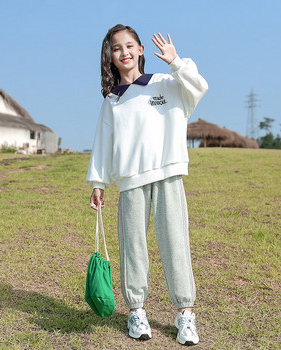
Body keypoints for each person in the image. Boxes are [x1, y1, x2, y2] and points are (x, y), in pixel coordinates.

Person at [86, 24, 208, 346]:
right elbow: (102, 144)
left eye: (129, 46)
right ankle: (136, 311)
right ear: (110, 57)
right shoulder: (113, 100)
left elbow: (199, 87)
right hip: (130, 182)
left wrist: (176, 61)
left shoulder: (168, 84)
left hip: (168, 174)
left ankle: (185, 315)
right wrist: (98, 183)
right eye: (116, 48)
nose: (123, 52)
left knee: (175, 244)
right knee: (133, 247)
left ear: (141, 50)